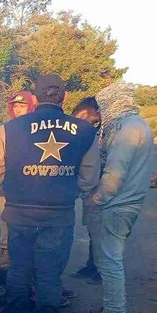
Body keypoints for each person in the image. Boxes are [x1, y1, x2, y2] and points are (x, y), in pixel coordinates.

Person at [0, 74, 100, 313]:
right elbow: (89, 177)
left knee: (19, 270)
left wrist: (11, 186)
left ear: (36, 97)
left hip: (19, 214)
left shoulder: (10, 128)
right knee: (48, 274)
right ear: (65, 97)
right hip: (58, 216)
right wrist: (70, 190)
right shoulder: (85, 131)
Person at [79, 83, 154, 313]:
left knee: (110, 260)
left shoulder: (126, 129)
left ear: (113, 101)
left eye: (103, 104)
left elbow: (115, 172)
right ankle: (114, 308)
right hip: (128, 202)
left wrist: (96, 199)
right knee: (109, 259)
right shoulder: (138, 124)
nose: (101, 111)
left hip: (117, 204)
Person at [0, 91, 37, 265]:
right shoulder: (6, 129)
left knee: (30, 224)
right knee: (5, 219)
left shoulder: (38, 130)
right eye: (16, 106)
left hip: (32, 186)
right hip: (7, 185)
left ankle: (30, 261)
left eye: (23, 106)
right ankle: (6, 253)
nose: (18, 110)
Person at [69, 97, 102, 282]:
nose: (94, 125)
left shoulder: (92, 133)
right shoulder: (81, 132)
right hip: (88, 188)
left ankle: (98, 267)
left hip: (96, 190)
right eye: (94, 121)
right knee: (92, 228)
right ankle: (93, 265)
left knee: (97, 230)